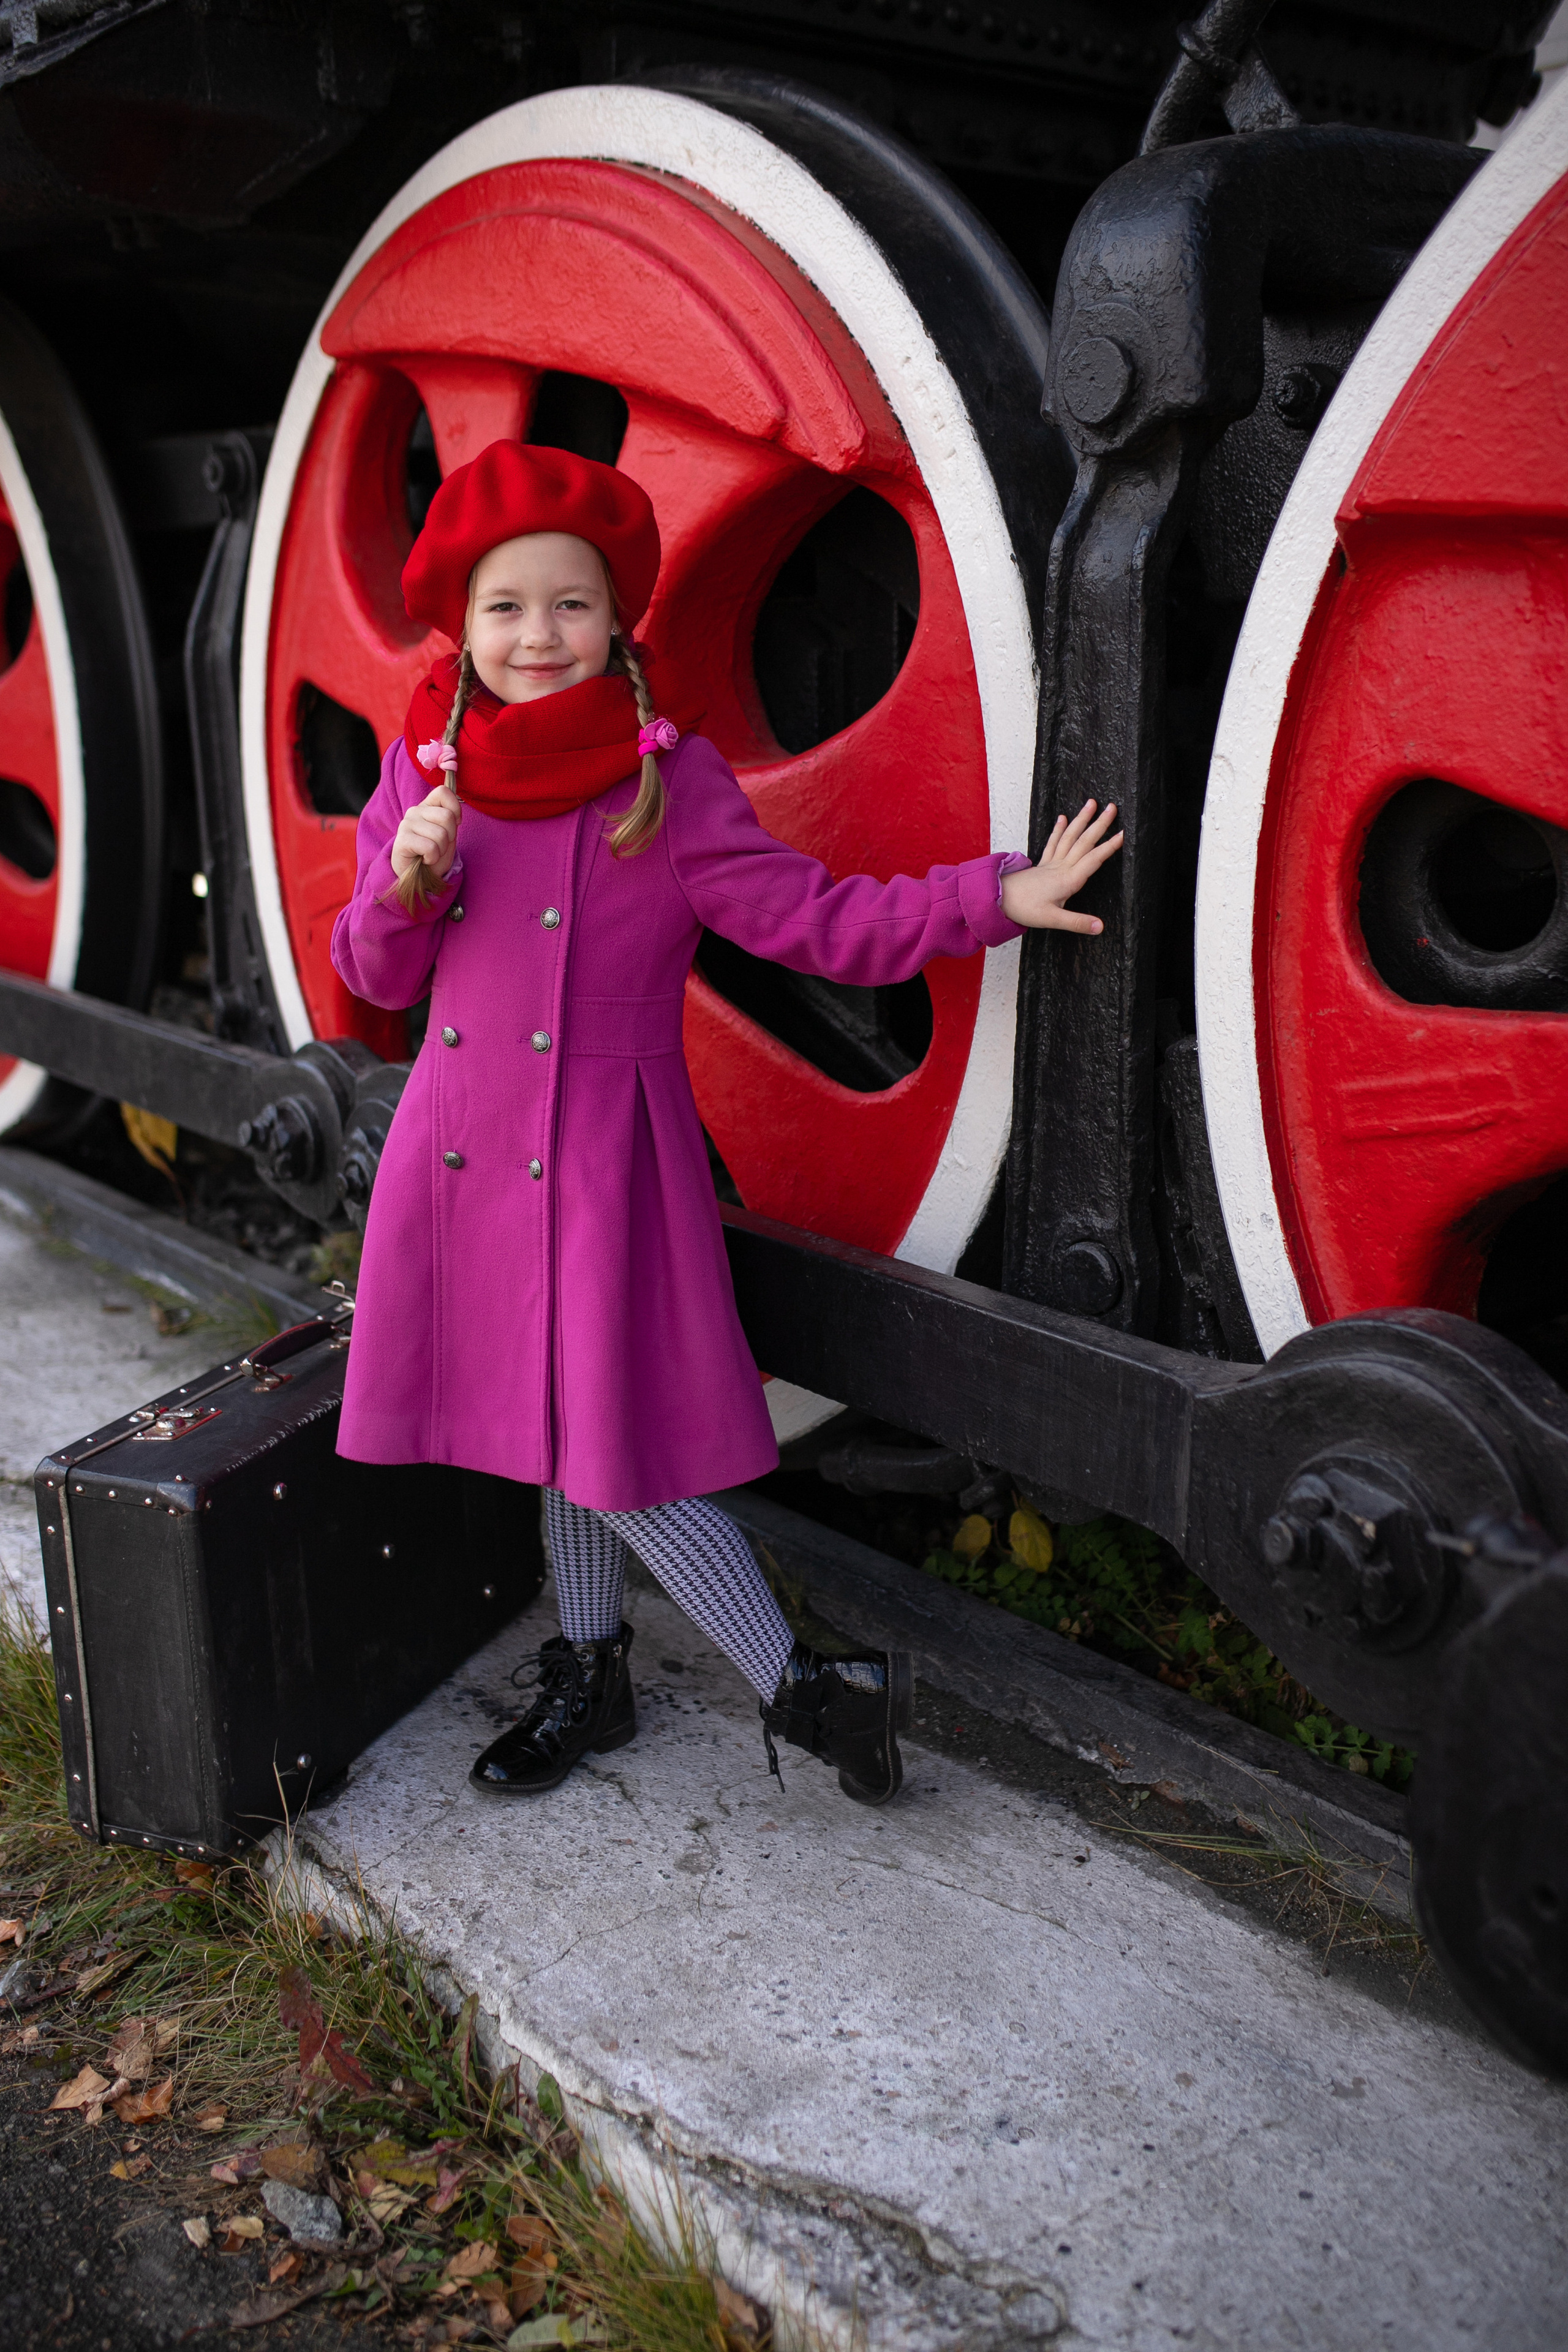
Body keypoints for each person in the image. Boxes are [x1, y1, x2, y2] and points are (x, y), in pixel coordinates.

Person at [331, 440, 1122, 1809]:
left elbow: (818, 921)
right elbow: (373, 980)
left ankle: (803, 1691)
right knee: (548, 1434)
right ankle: (597, 1671)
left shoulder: (666, 784)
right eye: (506, 606)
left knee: (607, 1450)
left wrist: (997, 896)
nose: (537, 634)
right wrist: (408, 884)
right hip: (457, 1156)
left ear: (615, 619)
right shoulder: (423, 773)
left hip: (598, 1170)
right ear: (461, 623)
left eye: (569, 603)